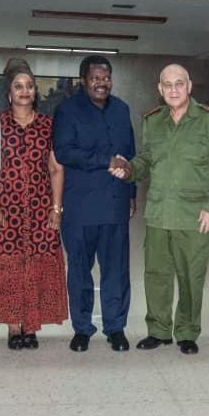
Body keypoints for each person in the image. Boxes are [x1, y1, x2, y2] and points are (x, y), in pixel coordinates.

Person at [110, 64, 209, 355]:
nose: (173, 89)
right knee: (156, 275)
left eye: (179, 83)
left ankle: (187, 332)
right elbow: (146, 160)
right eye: (167, 84)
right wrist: (128, 170)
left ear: (189, 86)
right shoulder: (153, 121)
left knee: (191, 277)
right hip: (159, 212)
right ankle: (159, 330)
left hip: (194, 214)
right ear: (160, 89)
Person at [0, 62, 68, 350]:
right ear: (9, 93)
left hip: (40, 210)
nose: (24, 91)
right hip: (5, 209)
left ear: (35, 92)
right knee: (9, 268)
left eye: (29, 86)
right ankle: (14, 326)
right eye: (18, 86)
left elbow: (56, 169)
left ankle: (31, 325)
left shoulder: (48, 125)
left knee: (35, 267)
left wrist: (56, 209)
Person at [53, 55, 136, 352]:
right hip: (81, 207)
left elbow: (130, 156)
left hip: (115, 204)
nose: (102, 83)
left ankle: (116, 328)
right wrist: (106, 161)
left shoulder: (121, 109)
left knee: (116, 271)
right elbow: (64, 152)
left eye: (106, 78)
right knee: (79, 271)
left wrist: (131, 192)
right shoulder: (67, 110)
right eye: (95, 78)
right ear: (83, 81)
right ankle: (82, 328)